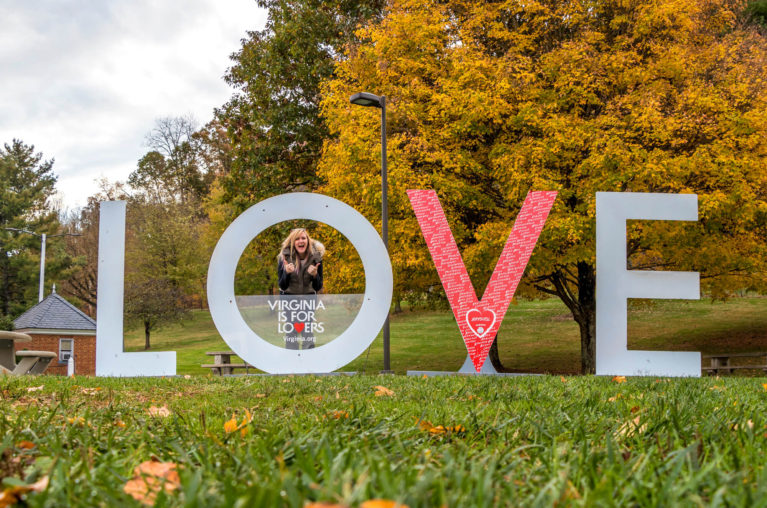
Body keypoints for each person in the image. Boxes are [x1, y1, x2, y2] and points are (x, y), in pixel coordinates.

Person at [277, 228, 324, 349]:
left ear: (307, 240)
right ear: (292, 242)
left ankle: (309, 365)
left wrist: (315, 275)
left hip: (308, 300)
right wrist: (286, 273)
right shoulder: (284, 258)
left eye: (303, 238)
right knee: (291, 333)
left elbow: (318, 286)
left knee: (307, 333)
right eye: (297, 239)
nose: (300, 241)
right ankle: (291, 365)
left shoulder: (316, 257)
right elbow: (282, 285)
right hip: (289, 300)